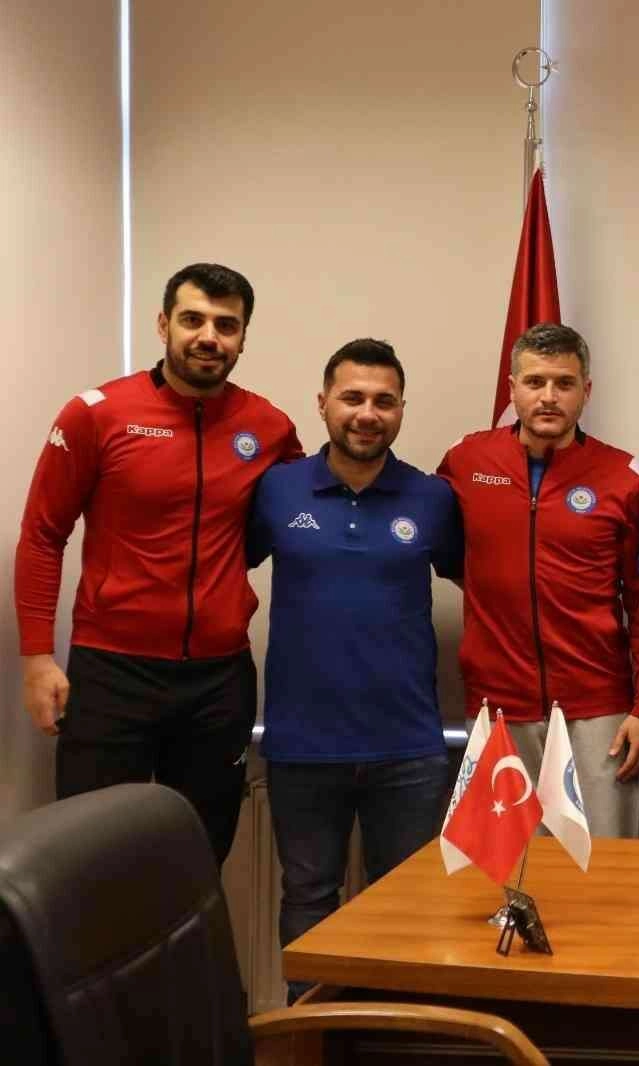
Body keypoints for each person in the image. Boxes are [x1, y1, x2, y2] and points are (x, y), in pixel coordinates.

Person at [14, 263, 302, 862]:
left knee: (198, 856)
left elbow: (290, 520)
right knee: (88, 857)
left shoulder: (269, 428)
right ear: (163, 324)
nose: (209, 337)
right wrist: (37, 658)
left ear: (243, 337)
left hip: (218, 681)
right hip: (112, 673)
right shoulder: (96, 414)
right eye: (193, 319)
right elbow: (42, 534)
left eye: (226, 325)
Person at [247, 339, 459, 1000]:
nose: (368, 413)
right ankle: (311, 1035)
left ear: (401, 410)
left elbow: (489, 583)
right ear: (323, 404)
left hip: (409, 747)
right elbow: (217, 568)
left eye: (383, 401)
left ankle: (396, 1037)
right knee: (309, 896)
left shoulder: (433, 498)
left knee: (407, 904)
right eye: (353, 398)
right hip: (303, 744)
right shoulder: (276, 490)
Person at [438, 324, 639, 838]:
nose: (549, 397)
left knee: (602, 868)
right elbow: (451, 558)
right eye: (535, 382)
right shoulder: (466, 462)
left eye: (564, 383)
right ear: (512, 388)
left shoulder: (623, 477)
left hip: (598, 707)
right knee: (508, 871)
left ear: (586, 390)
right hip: (498, 706)